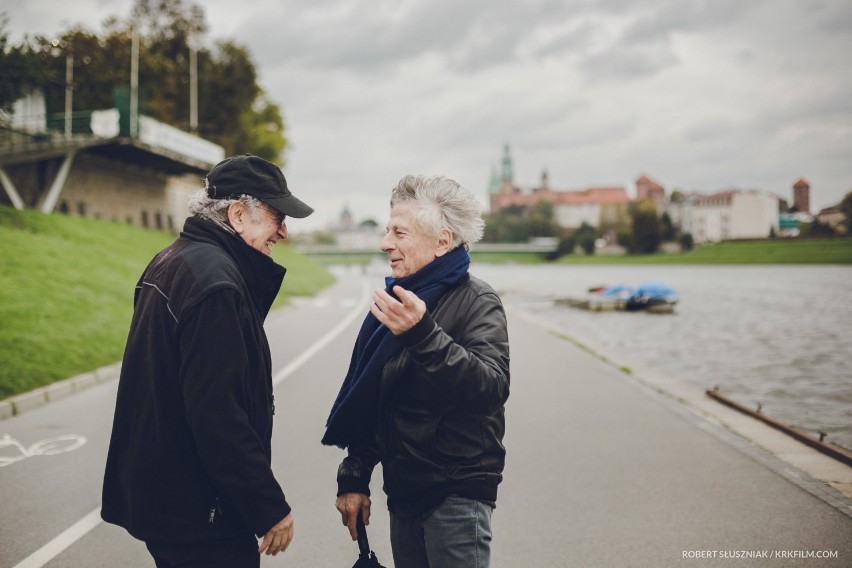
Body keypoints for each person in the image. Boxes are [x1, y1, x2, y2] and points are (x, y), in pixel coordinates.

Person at [102, 154, 313, 567]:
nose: (284, 232)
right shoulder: (217, 286)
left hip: (168, 505)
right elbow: (218, 417)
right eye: (276, 217)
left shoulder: (172, 260)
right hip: (201, 516)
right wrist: (269, 507)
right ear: (238, 214)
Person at [323, 175, 510, 568]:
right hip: (403, 493)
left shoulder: (477, 301)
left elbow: (491, 387)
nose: (385, 243)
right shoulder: (399, 302)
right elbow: (377, 397)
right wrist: (355, 476)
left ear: (442, 241)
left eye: (399, 233)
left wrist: (423, 335)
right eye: (387, 230)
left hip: (457, 493)